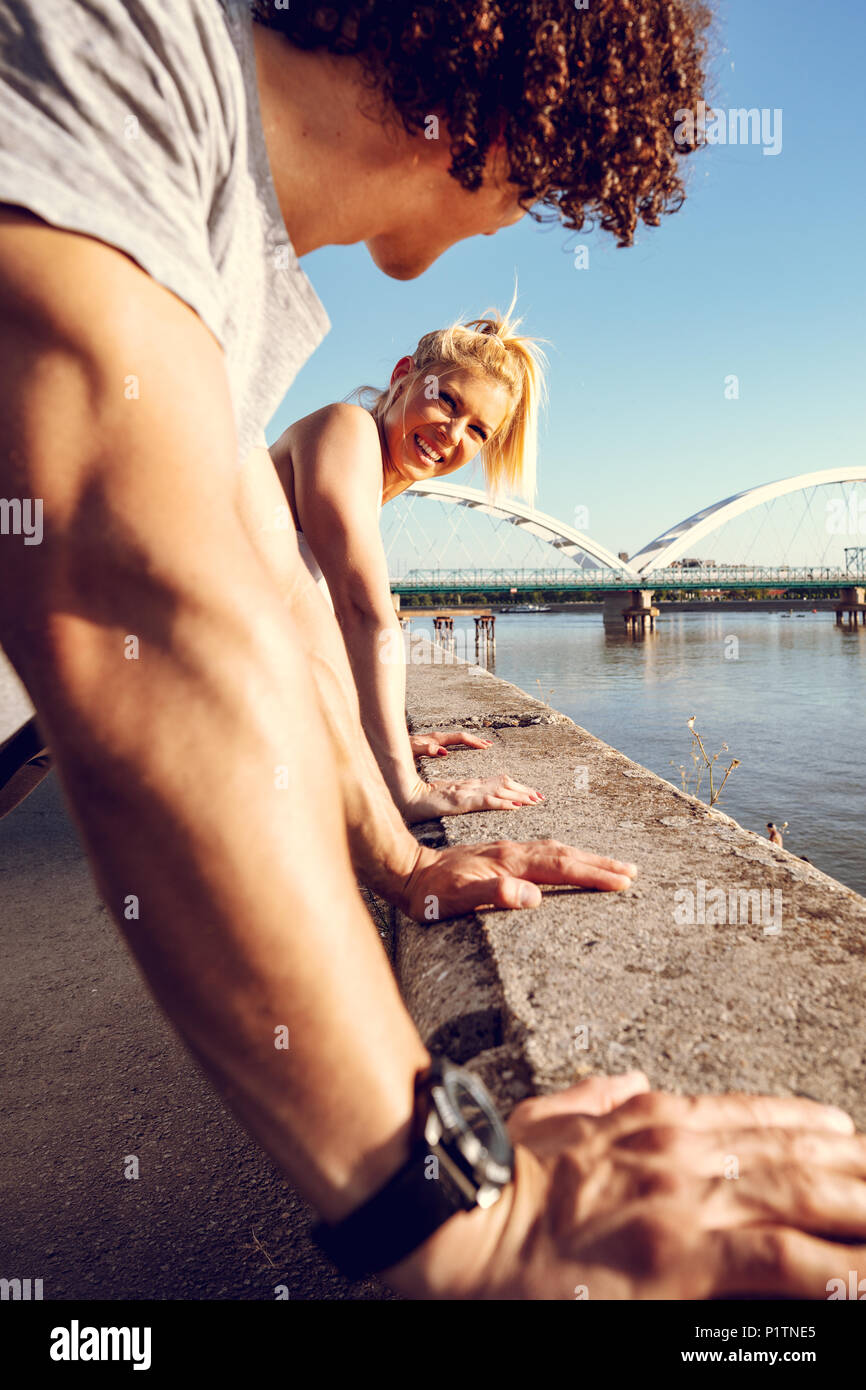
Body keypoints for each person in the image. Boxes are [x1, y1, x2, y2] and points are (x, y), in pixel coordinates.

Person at [2, 0, 863, 1301]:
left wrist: (404, 856)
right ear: (503, 124)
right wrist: (450, 1214)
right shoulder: (123, 50)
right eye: (553, 182)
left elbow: (272, 624)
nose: (528, 217)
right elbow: (148, 611)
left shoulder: (219, 293)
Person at [259, 304, 550, 820]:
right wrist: (404, 787)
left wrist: (380, 737)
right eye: (447, 401)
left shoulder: (367, 477)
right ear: (402, 378)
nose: (453, 434)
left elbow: (316, 635)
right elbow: (363, 613)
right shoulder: (346, 428)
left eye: (478, 431)